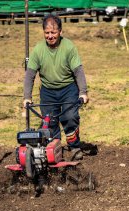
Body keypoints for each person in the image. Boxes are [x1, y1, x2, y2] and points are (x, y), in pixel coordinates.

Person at [23, 14, 88, 160]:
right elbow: (30, 75)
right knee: (50, 122)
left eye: (53, 32)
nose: (50, 36)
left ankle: (74, 146)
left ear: (60, 32)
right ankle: (55, 152)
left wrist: (83, 92)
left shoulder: (69, 47)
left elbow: (78, 71)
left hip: (68, 89)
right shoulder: (38, 49)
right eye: (47, 33)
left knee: (70, 117)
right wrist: (27, 97)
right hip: (48, 91)